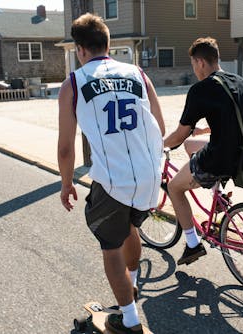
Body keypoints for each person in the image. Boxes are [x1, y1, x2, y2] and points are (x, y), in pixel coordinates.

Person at [57, 13, 165, 334]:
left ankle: (129, 320)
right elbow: (159, 125)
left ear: (80, 50)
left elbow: (66, 148)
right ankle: (130, 286)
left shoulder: (74, 83)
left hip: (112, 179)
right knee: (130, 226)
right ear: (108, 44)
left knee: (110, 245)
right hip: (148, 178)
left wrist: (66, 184)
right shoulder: (138, 74)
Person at [164, 37, 243, 265]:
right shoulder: (239, 81)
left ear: (199, 62)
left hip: (220, 158)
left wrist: (157, 145)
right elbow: (241, 118)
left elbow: (178, 135)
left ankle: (192, 244)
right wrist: (204, 130)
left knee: (174, 187)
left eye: (193, 65)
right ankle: (215, 194)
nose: (194, 70)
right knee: (190, 146)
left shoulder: (201, 90)